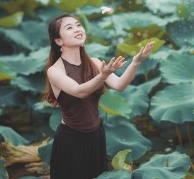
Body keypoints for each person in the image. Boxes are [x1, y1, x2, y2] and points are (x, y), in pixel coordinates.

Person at [43, 14, 154, 179]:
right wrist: (102, 76)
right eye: (69, 28)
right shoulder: (55, 71)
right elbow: (80, 91)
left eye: (78, 25)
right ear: (59, 41)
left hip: (96, 135)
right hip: (71, 139)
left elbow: (120, 85)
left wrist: (136, 62)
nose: (77, 29)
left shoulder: (94, 62)